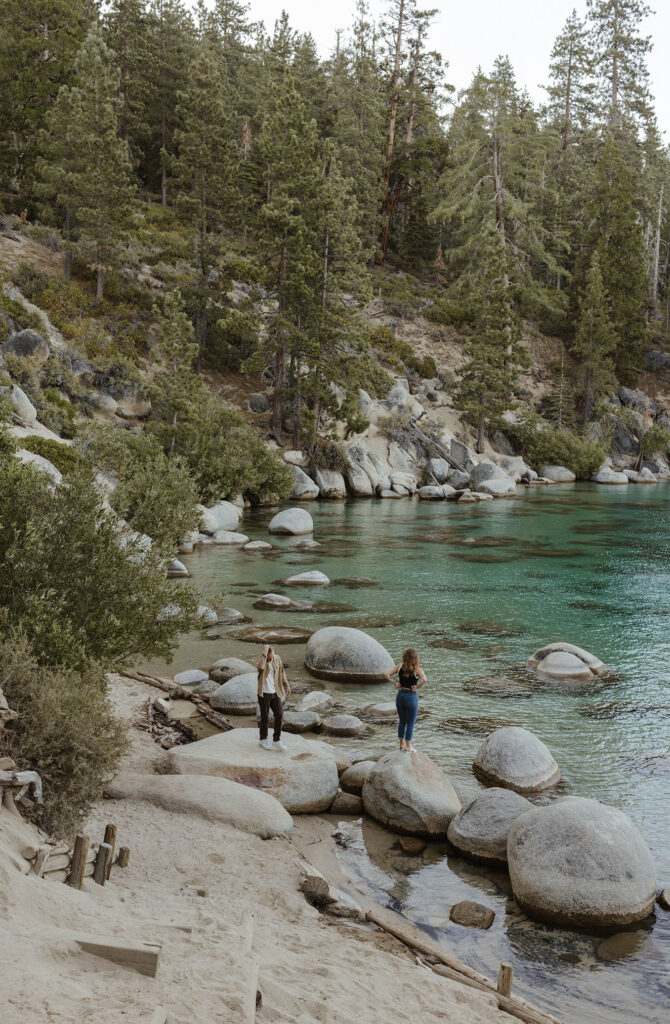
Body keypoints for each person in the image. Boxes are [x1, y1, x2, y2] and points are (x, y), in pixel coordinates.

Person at [386, 648, 426, 752]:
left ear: (404, 657)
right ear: (415, 658)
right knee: (411, 723)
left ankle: (401, 744)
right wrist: (417, 687)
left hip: (400, 696)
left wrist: (394, 683)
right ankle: (408, 747)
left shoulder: (399, 667)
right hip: (411, 697)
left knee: (402, 721)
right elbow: (425, 680)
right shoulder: (417, 669)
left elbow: (386, 674)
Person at [257, 643, 290, 751]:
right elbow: (260, 667)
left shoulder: (277, 659)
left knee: (279, 714)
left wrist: (286, 685)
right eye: (269, 656)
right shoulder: (262, 660)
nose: (271, 658)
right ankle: (263, 739)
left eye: (272, 655)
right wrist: (264, 654)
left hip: (275, 693)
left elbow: (282, 673)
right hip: (264, 694)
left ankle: (277, 740)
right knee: (265, 717)